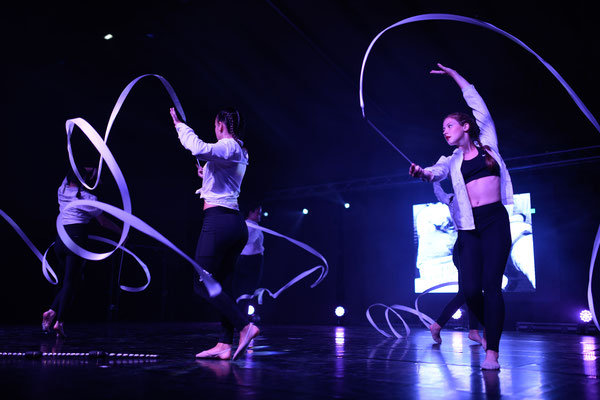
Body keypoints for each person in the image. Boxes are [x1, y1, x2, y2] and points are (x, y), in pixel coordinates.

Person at [409, 64, 513, 370]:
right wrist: (422, 173)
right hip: (469, 228)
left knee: (491, 287)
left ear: (466, 126)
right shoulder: (451, 160)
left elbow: (477, 103)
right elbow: (435, 172)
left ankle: (492, 352)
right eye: (442, 128)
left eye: (449, 125)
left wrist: (454, 75)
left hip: (495, 221)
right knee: (469, 290)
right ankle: (486, 328)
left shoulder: (488, 142)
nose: (444, 131)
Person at [170, 106, 259, 360]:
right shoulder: (238, 150)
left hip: (219, 223)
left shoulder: (228, 146)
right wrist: (206, 173)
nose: (214, 129)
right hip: (232, 224)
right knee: (222, 286)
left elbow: (198, 148)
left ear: (221, 125)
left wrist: (180, 126)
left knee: (201, 284)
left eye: (215, 125)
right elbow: (222, 180)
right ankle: (224, 343)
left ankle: (245, 326)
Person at [42, 167, 121, 337]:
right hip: (76, 239)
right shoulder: (88, 198)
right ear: (85, 181)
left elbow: (73, 171)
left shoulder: (62, 189)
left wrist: (91, 172)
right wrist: (122, 233)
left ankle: (51, 311)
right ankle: (59, 322)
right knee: (71, 281)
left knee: (73, 280)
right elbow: (103, 222)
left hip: (60, 241)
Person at [428, 181, 484, 347]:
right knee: (467, 292)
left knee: (473, 292)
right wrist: (434, 176)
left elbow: (439, 192)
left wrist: (435, 179)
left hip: (472, 247)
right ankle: (438, 324)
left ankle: (473, 330)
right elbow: (439, 193)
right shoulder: (455, 199)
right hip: (464, 247)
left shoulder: (471, 198)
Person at [234, 203, 265, 322]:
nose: (260, 215)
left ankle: (241, 316)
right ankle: (241, 318)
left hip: (244, 259)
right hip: (251, 261)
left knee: (244, 290)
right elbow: (248, 240)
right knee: (247, 289)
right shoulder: (252, 226)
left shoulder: (245, 225)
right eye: (258, 213)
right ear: (250, 212)